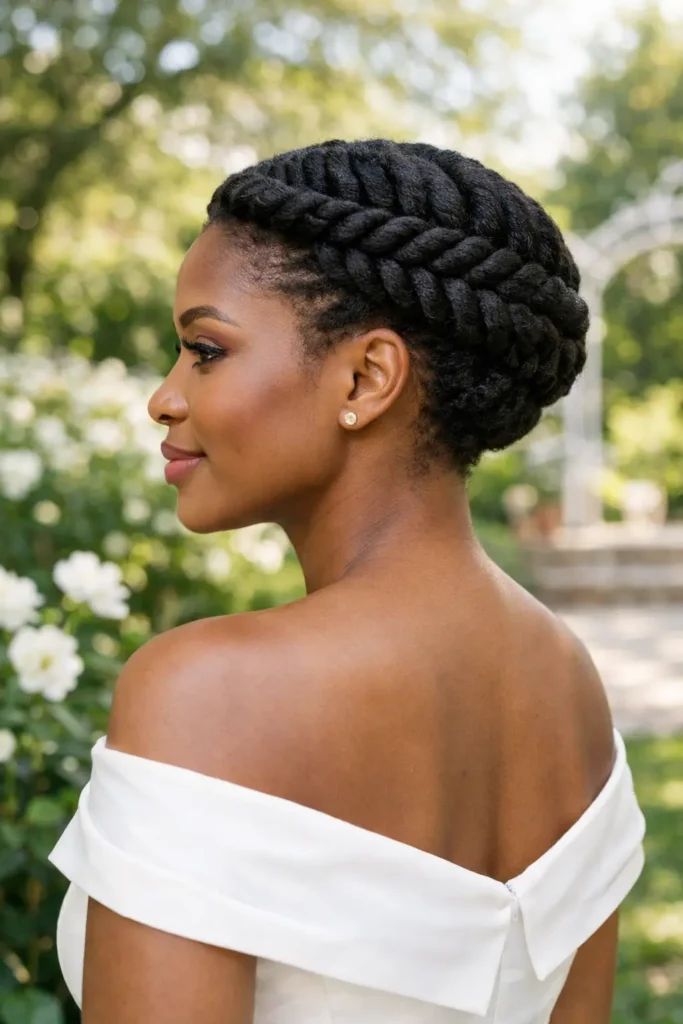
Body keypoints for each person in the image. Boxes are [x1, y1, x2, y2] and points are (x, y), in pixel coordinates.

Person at [48, 138, 645, 1023]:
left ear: (366, 376)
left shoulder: (207, 695)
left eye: (204, 350)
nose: (163, 398)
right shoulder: (567, 684)